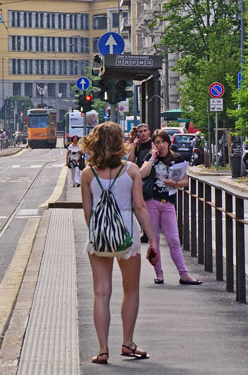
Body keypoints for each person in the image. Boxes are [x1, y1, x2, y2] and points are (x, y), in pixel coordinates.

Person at [79, 122, 158, 365]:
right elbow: (140, 206)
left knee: (101, 293)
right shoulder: (131, 170)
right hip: (127, 233)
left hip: (100, 235)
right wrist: (152, 240)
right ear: (118, 142)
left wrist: (99, 232)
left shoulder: (87, 173)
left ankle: (102, 350)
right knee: (130, 290)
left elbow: (87, 212)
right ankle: (128, 343)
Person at [140, 129, 202, 285]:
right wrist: (153, 158)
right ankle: (159, 274)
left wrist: (174, 183)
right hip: (151, 202)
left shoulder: (176, 159)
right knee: (153, 240)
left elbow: (185, 181)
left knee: (173, 239)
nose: (161, 146)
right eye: (157, 143)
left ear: (168, 142)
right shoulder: (150, 157)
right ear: (154, 144)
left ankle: (184, 274)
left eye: (163, 142)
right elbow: (141, 174)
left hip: (168, 202)